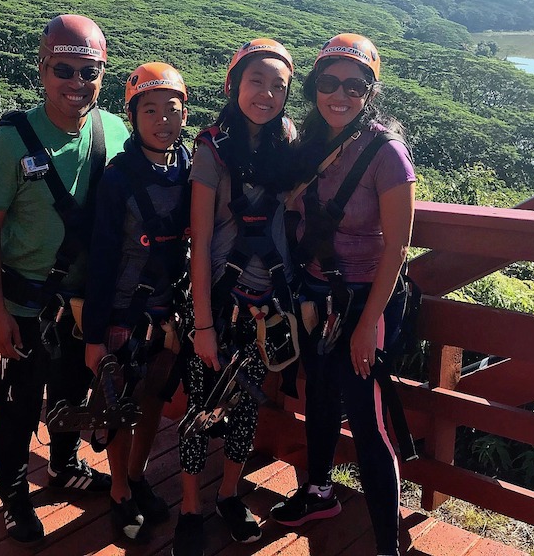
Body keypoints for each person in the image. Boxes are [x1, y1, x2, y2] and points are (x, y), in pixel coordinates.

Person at [0, 14, 130, 543]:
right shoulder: (11, 141)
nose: (76, 83)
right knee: (18, 402)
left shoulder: (114, 131)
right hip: (26, 300)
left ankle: (63, 466)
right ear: (42, 70)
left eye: (90, 72)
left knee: (74, 391)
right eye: (64, 69)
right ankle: (14, 494)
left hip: (87, 301)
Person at [270, 34, 416, 556]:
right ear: (314, 87)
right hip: (314, 294)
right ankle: (319, 492)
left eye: (354, 86)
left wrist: (365, 325)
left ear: (369, 94)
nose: (341, 95)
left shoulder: (387, 154)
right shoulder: (307, 145)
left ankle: (386, 544)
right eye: (329, 83)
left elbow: (397, 247)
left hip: (362, 301)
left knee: (369, 422)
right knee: (321, 399)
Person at [173, 39, 298, 556]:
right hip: (217, 299)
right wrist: (202, 324)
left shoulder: (289, 142)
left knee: (245, 405)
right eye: (256, 82)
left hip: (264, 305)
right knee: (200, 407)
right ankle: (188, 508)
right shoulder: (211, 148)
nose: (266, 94)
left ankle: (228, 494)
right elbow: (200, 242)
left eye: (278, 86)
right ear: (233, 85)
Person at [82, 62, 193, 541]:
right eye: (150, 110)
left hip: (167, 310)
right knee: (120, 402)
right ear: (133, 116)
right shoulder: (118, 178)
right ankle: (119, 493)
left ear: (185, 115)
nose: (163, 119)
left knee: (151, 400)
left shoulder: (188, 165)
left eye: (173, 109)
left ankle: (138, 474)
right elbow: (102, 257)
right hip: (125, 309)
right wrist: (94, 337)